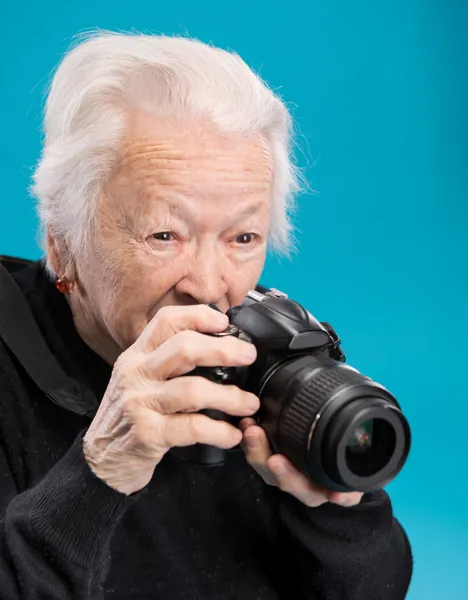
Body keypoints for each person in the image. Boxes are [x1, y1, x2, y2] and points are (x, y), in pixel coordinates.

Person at [0, 32, 412, 599]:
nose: (210, 286)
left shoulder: (263, 353)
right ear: (62, 243)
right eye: (165, 234)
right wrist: (99, 472)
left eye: (243, 236)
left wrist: (337, 512)